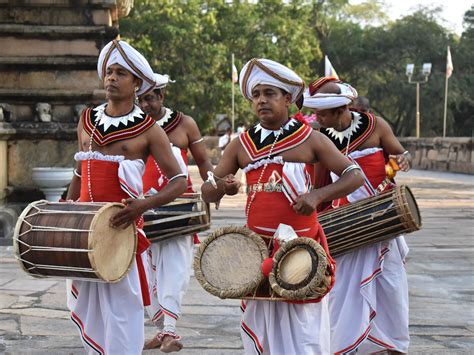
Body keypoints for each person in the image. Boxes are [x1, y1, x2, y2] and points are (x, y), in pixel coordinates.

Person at [201, 58, 364, 355]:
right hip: (256, 251)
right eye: (257, 95)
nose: (261, 100)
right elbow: (208, 192)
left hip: (301, 247)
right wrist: (221, 186)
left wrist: (318, 196)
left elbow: (354, 175)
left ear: (287, 99)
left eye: (270, 93)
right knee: (260, 329)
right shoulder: (241, 145)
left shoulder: (311, 139)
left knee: (304, 331)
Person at [65, 40, 187, 354]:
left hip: (123, 233)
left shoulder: (149, 130)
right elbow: (79, 172)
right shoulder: (86, 120)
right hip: (86, 233)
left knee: (123, 309)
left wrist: (144, 205)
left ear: (137, 83)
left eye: (121, 73)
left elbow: (179, 180)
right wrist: (65, 208)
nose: (111, 78)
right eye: (109, 72)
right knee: (89, 310)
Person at [304, 76, 411, 354]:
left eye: (323, 113)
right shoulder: (320, 139)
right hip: (347, 224)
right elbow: (321, 187)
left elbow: (401, 155)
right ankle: (347, 345)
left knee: (390, 284)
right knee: (344, 291)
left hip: (383, 218)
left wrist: (402, 160)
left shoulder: (376, 126)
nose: (318, 118)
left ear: (341, 109)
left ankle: (390, 345)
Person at [138, 73, 215, 352]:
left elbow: (204, 161)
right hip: (142, 206)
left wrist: (214, 187)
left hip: (178, 208)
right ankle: (161, 330)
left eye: (149, 98)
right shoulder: (132, 125)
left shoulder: (185, 124)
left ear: (162, 96)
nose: (145, 105)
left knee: (174, 270)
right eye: (140, 99)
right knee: (144, 272)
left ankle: (169, 331)